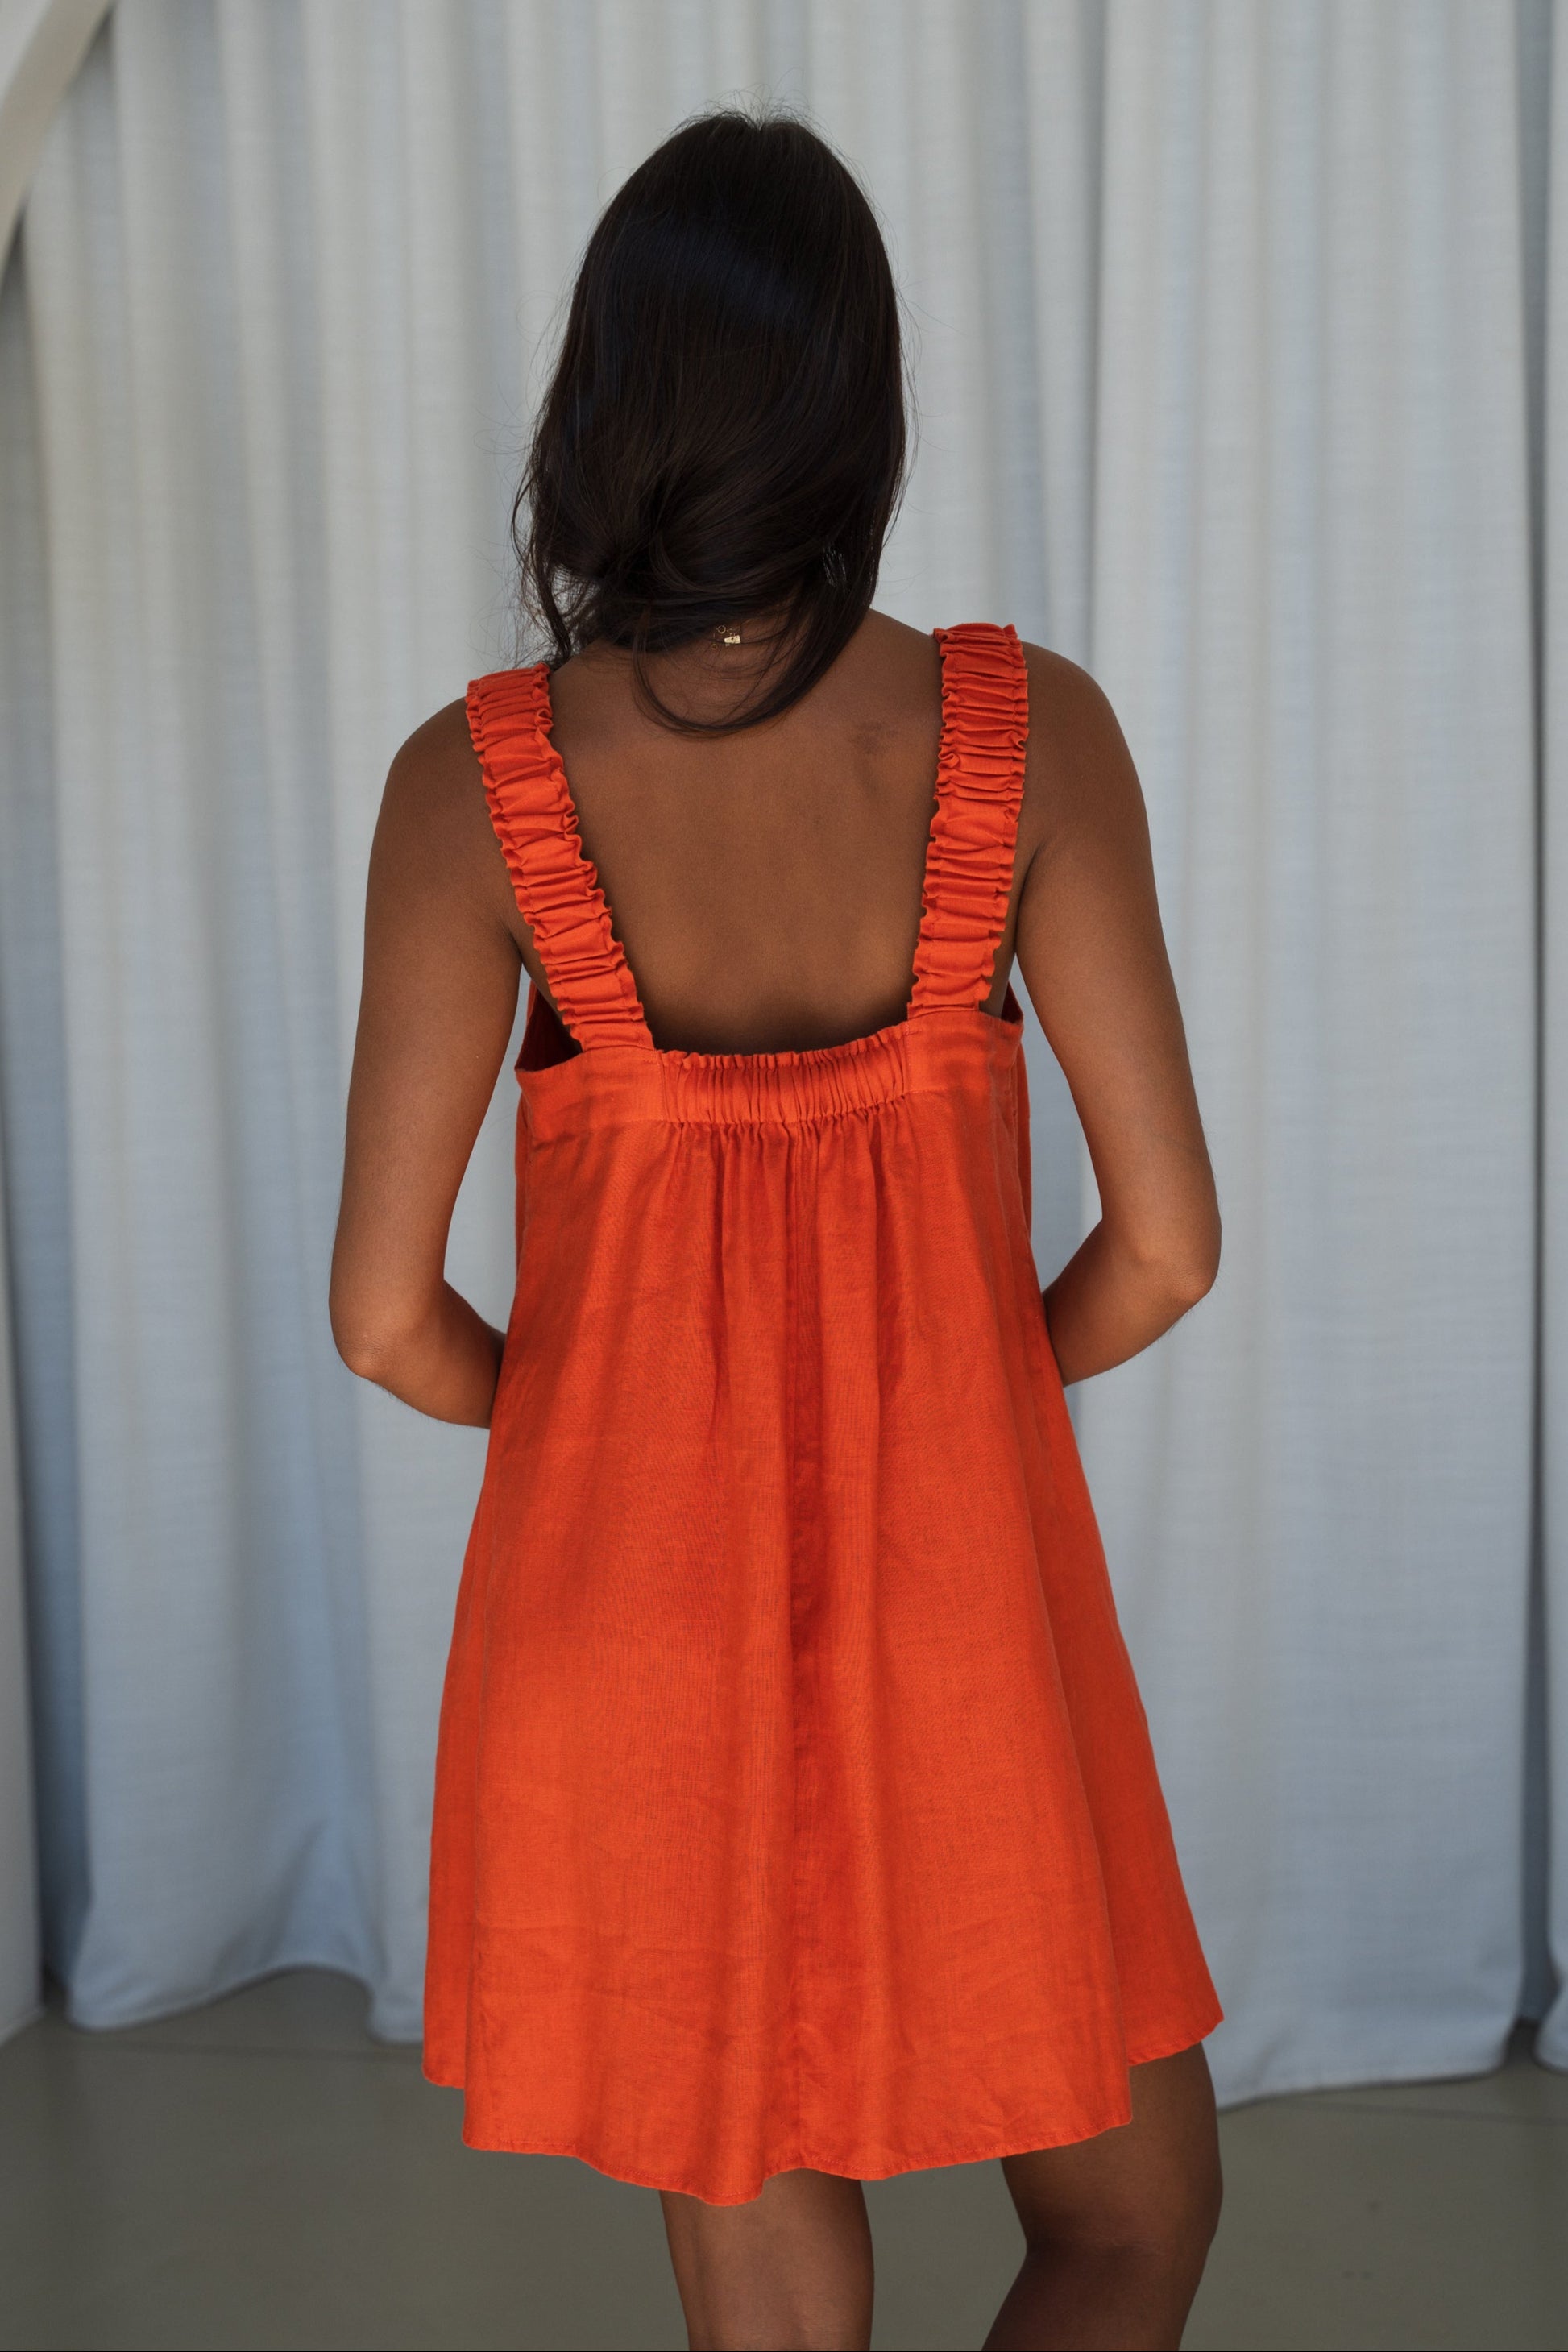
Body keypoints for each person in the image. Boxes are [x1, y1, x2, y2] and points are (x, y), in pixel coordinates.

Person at [330, 106, 1224, 2352]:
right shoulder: (1026, 735)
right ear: (862, 412)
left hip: (627, 1632)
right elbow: (1166, 1248)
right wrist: (949, 1400)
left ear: (597, 403)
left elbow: (381, 1318)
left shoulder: (476, 784)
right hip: (960, 1605)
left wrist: (614, 1437)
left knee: (767, 2260)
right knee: (1131, 2216)